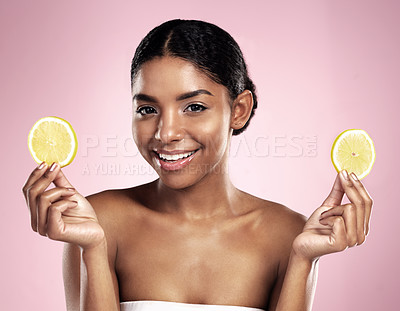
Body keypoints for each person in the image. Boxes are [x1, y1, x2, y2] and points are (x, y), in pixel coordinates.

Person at [22, 19, 373, 311]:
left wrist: (302, 260)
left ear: (239, 110)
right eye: (147, 109)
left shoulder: (290, 234)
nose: (166, 132)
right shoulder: (96, 222)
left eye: (194, 107)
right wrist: (94, 250)